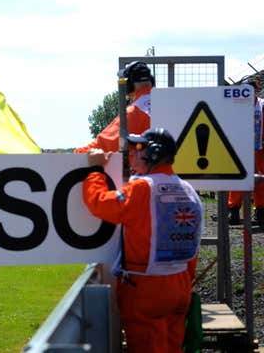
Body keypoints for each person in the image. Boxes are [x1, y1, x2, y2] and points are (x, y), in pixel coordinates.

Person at [82, 128, 203, 353]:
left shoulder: (142, 188)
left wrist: (95, 170)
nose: (132, 153)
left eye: (138, 148)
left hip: (147, 287)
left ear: (153, 154)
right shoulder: (188, 190)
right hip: (180, 284)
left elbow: (100, 203)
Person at [74, 61, 154, 153]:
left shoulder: (134, 112)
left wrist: (79, 152)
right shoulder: (169, 104)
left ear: (130, 85)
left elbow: (106, 143)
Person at [228, 76, 264, 226]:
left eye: (253, 89)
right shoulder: (236, 105)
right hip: (241, 148)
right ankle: (233, 210)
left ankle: (261, 210)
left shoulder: (262, 105)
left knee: (261, 180)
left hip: (260, 148)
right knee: (238, 178)